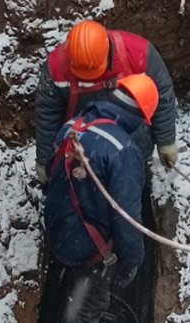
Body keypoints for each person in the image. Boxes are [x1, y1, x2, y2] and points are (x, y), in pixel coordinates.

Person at [38, 74, 159, 323]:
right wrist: (132, 260)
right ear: (142, 117)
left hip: (60, 232)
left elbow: (53, 173)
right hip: (88, 250)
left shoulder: (74, 125)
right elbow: (127, 217)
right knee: (87, 310)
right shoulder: (123, 150)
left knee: (72, 292)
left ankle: (65, 300)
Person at [34, 20, 178, 185]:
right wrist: (45, 160)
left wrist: (166, 142)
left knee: (132, 187)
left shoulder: (140, 53)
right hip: (81, 146)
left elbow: (163, 95)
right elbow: (47, 115)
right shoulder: (56, 66)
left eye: (93, 72)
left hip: (133, 141)